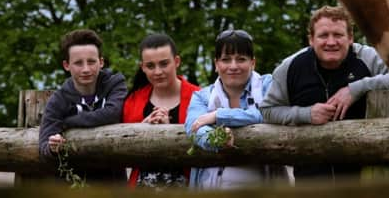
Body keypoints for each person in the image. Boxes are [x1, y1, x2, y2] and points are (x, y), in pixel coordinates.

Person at [259, 5, 389, 181]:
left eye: (338, 35)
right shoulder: (291, 67)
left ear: (350, 38)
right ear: (311, 39)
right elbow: (267, 110)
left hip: (363, 183)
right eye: (323, 35)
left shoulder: (367, 58)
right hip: (310, 185)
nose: (331, 42)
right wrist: (305, 114)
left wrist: (357, 88)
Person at [185, 29, 286, 189]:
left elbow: (272, 113)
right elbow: (194, 127)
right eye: (226, 59)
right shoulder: (201, 97)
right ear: (216, 64)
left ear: (253, 63)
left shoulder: (268, 85)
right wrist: (216, 139)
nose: (233, 66)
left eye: (241, 59)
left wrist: (219, 116)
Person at [38, 29, 127, 183]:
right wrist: (53, 147)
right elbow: (44, 147)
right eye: (78, 63)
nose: (86, 69)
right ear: (67, 65)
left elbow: (112, 113)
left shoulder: (115, 84)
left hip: (114, 185)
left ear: (101, 62)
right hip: (74, 186)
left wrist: (67, 123)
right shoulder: (58, 100)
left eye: (91, 62)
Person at [122, 33, 200, 188]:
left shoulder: (199, 97)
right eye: (150, 66)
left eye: (164, 64)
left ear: (176, 61)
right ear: (142, 67)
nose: (157, 72)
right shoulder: (132, 101)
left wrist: (169, 132)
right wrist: (140, 130)